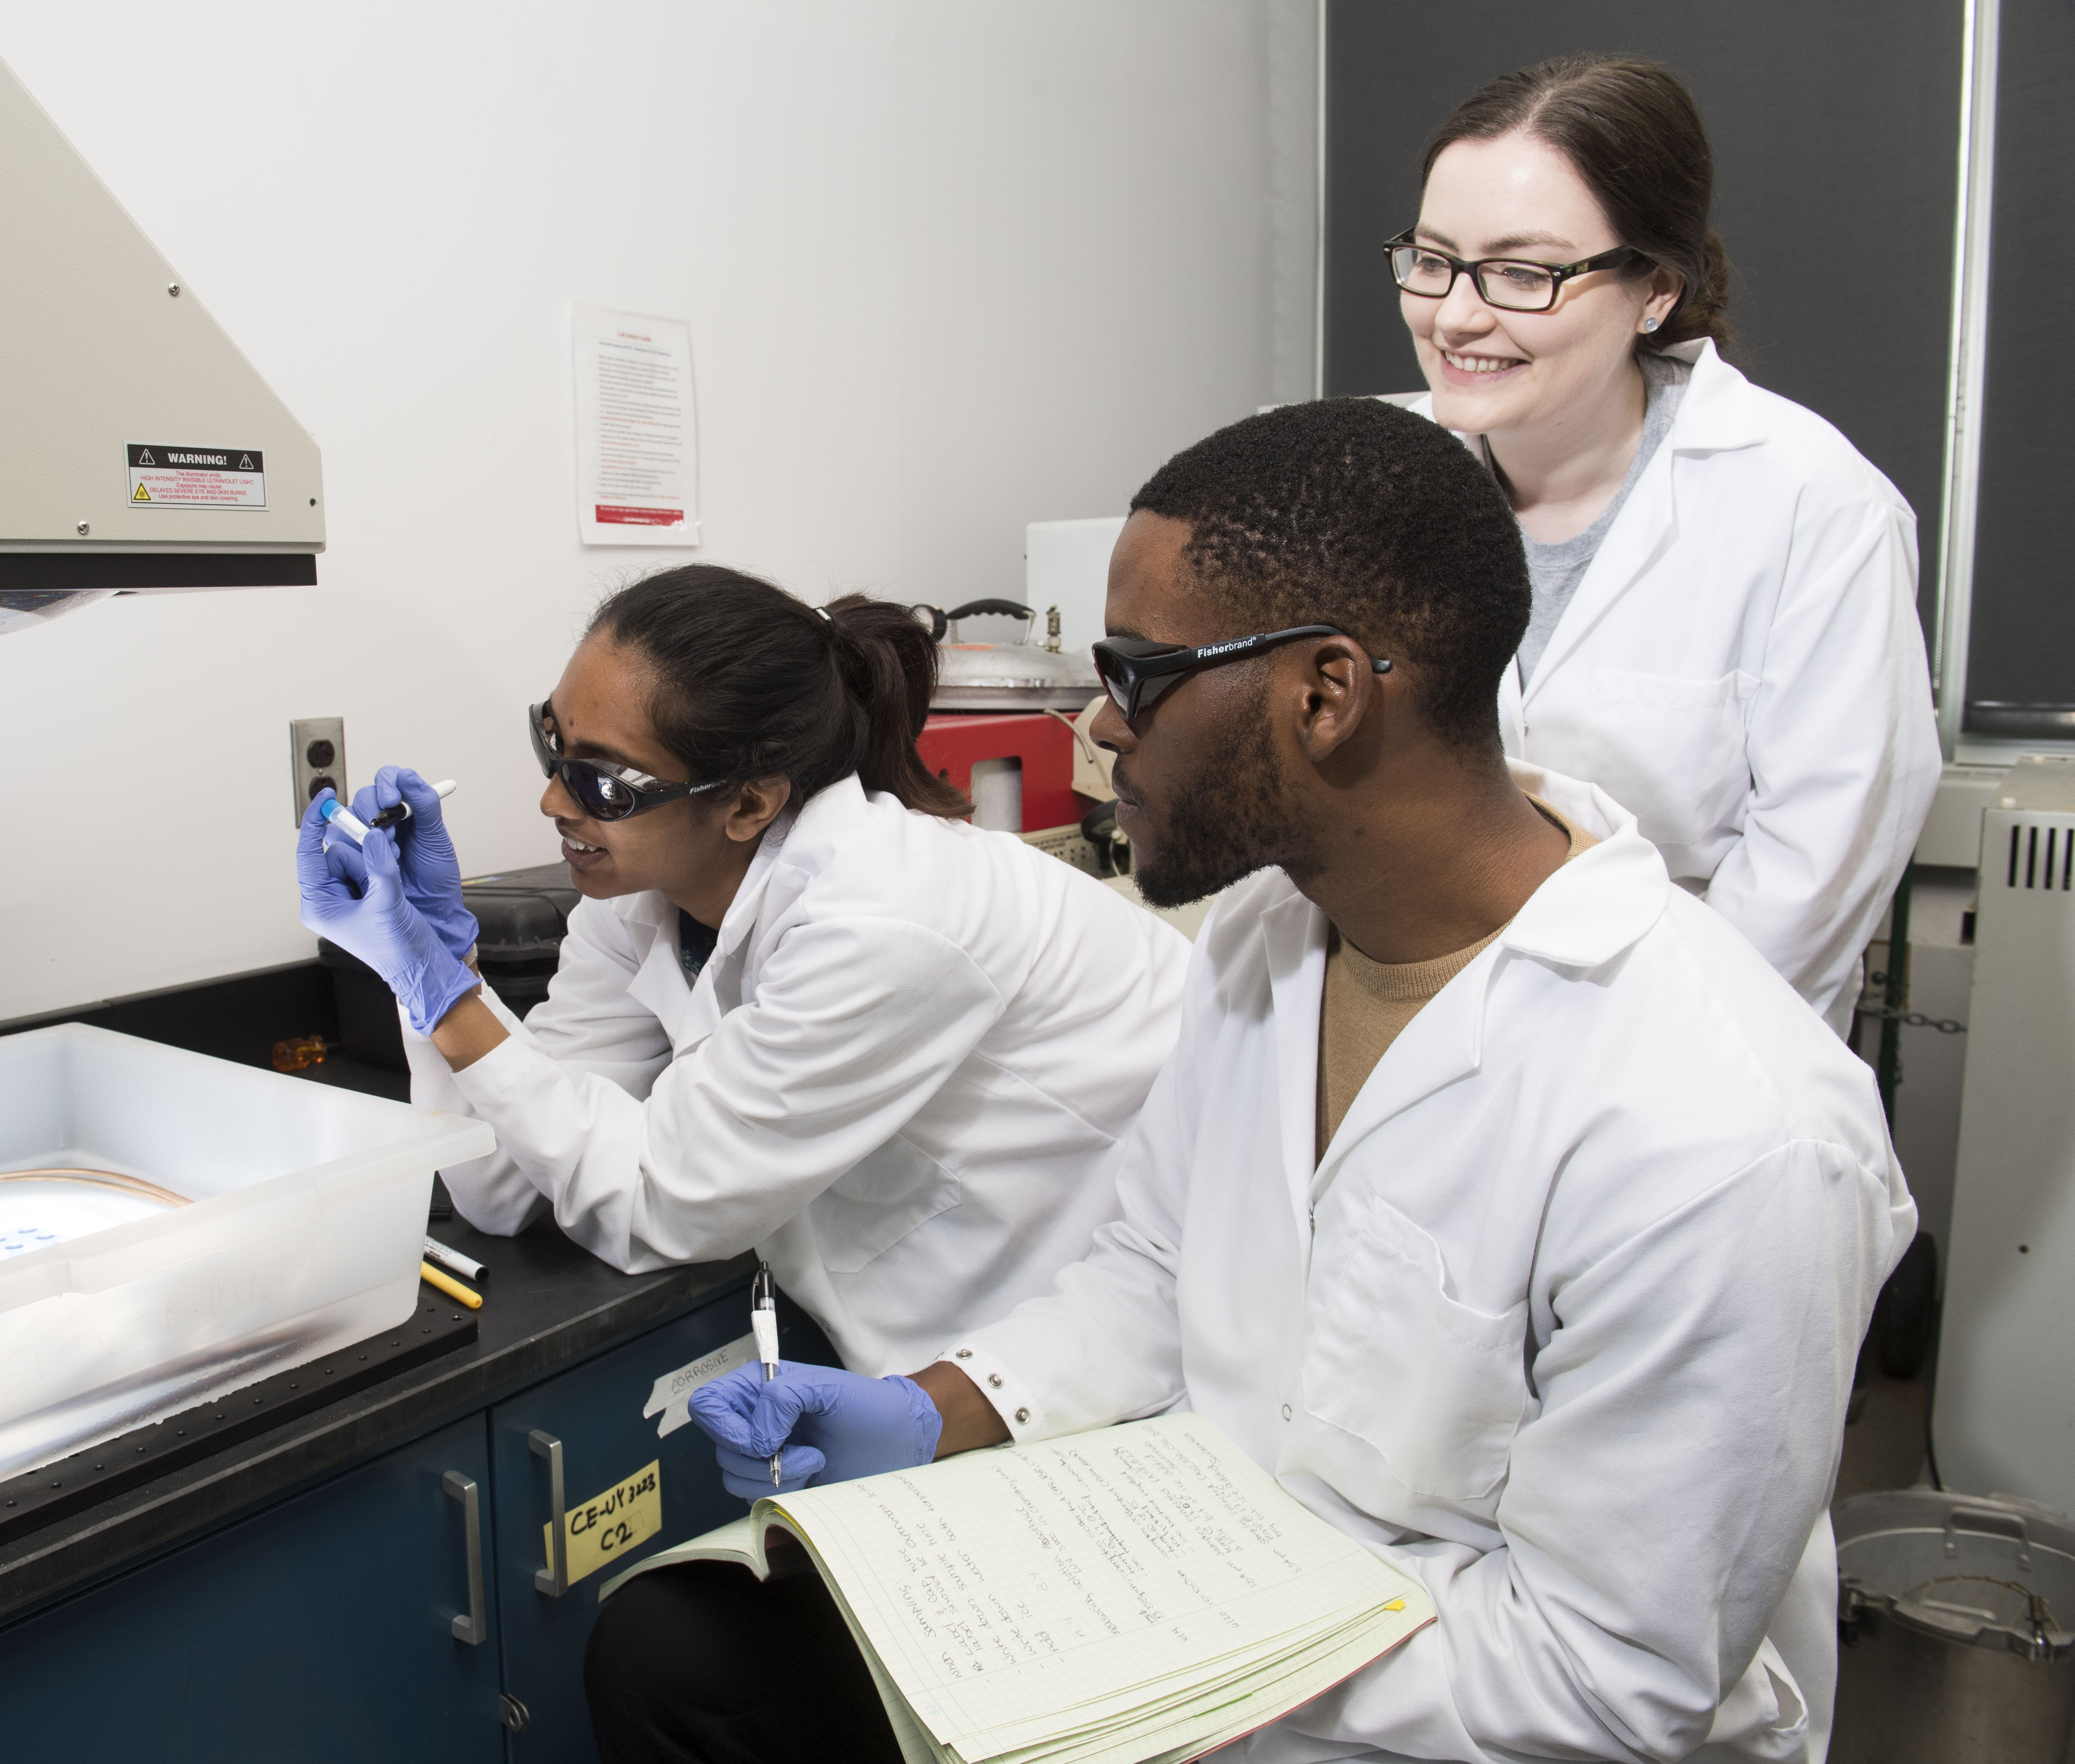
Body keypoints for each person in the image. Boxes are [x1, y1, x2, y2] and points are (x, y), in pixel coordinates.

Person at [602, 401, 1913, 1763]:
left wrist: (1168, 1650)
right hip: (1211, 1602)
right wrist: (936, 1410)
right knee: (688, 1656)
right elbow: (1156, 1266)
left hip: (1445, 1716)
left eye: (1138, 675)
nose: (1102, 727)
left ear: (1326, 695)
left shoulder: (1726, 1136)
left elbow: (1605, 1678)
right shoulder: (1269, 938)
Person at [295, 565, 1191, 1376]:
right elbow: (497, 1186)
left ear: (750, 801)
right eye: (552, 745)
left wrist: (446, 997)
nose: (553, 800)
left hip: (1115, 1323)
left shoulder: (883, 920)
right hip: (930, 1306)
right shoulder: (639, 899)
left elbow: (659, 1206)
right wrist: (439, 959)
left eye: (604, 782)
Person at [1386, 54, 1938, 1034]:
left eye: (1524, 272)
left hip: (1692, 1053)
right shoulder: (1371, 474)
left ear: (1656, 290)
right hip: (1418, 1018)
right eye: (1434, 260)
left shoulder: (1811, 503)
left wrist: (1627, 1056)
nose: (1457, 314)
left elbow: (1814, 873)